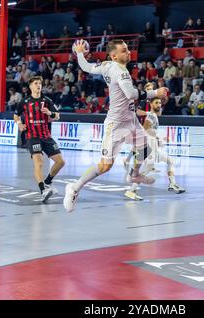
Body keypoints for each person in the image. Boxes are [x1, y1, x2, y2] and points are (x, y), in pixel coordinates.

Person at [63, 39, 168, 213]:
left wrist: (80, 54)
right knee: (105, 166)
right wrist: (155, 92)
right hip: (116, 124)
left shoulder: (106, 65)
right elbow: (132, 94)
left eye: (127, 49)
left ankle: (135, 175)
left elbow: (87, 67)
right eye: (124, 51)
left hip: (131, 119)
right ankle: (74, 188)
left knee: (145, 149)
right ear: (114, 55)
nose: (128, 53)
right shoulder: (121, 72)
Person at [14, 76, 65, 203]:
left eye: (40, 84)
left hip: (46, 136)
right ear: (31, 86)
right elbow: (16, 115)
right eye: (36, 83)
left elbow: (57, 116)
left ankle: (47, 182)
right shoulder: (24, 102)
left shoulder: (47, 100)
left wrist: (49, 113)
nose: (38, 86)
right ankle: (43, 190)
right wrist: (19, 124)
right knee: (39, 162)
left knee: (61, 162)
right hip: (32, 136)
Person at [125, 97, 185, 201]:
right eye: (156, 103)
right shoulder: (151, 116)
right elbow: (144, 130)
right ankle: (131, 190)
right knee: (147, 169)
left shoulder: (153, 116)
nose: (159, 105)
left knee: (169, 161)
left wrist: (159, 137)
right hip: (150, 145)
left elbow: (150, 130)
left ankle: (172, 184)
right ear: (151, 104)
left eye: (160, 103)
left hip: (154, 145)